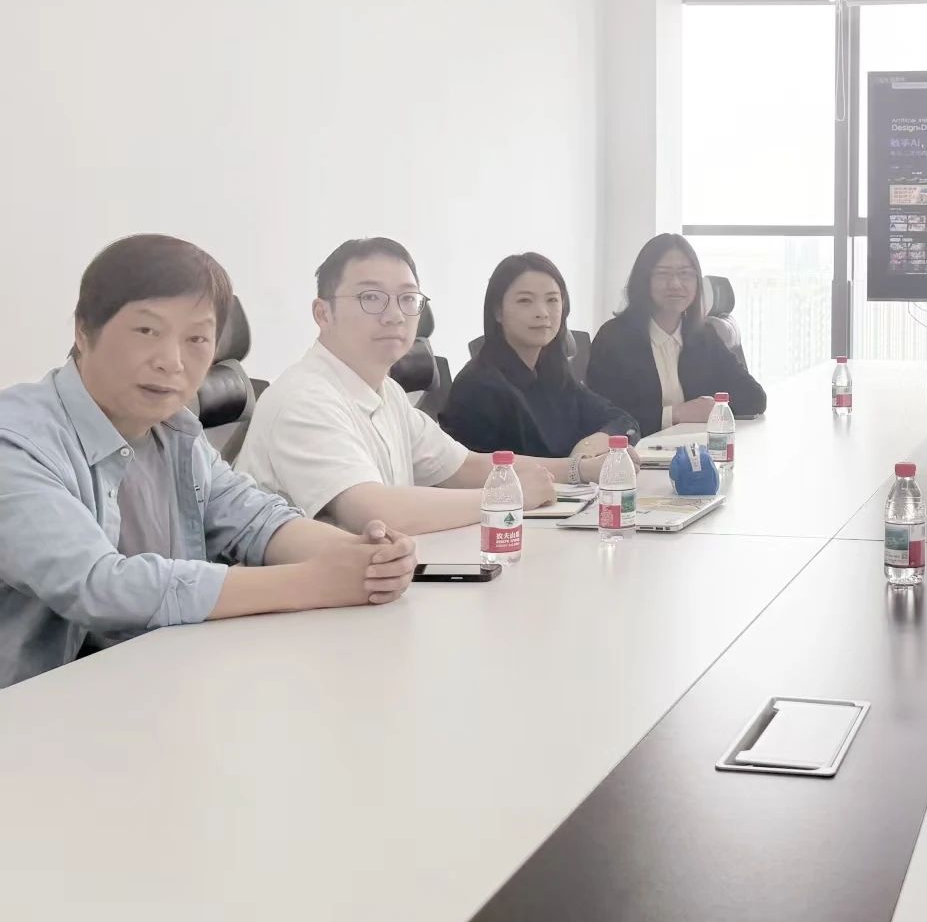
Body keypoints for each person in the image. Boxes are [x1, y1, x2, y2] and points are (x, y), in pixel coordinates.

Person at [0, 235, 418, 689]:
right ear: (84, 331)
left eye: (197, 338)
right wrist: (313, 581)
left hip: (151, 687)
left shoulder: (175, 431)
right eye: (147, 331)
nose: (171, 361)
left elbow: (256, 521)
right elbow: (98, 584)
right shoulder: (16, 440)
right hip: (30, 708)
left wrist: (366, 557)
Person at [238, 237, 559, 535]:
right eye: (371, 298)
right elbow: (376, 513)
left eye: (407, 299)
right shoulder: (303, 399)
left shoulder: (386, 391)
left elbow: (462, 466)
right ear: (323, 313)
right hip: (306, 578)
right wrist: (507, 496)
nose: (394, 315)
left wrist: (576, 471)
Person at [440, 253, 637, 484]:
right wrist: (579, 468)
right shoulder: (477, 386)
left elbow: (623, 421)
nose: (542, 312)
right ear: (497, 311)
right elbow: (487, 476)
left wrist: (589, 447)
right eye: (525, 301)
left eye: (552, 300)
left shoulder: (552, 374)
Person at [585, 234, 766, 437]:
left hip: (696, 449)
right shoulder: (613, 339)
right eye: (663, 274)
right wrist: (675, 414)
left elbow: (755, 397)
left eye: (685, 274)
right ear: (644, 280)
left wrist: (713, 409)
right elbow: (603, 416)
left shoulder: (704, 336)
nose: (675, 284)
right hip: (636, 452)